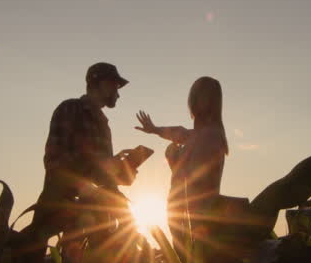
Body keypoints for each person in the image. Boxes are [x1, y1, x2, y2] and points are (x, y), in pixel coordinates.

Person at [31, 62, 152, 246]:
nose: (118, 93)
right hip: (63, 205)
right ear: (99, 83)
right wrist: (98, 169)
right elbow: (55, 162)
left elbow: (106, 179)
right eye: (115, 85)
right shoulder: (69, 109)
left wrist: (126, 168)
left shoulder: (103, 126)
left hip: (97, 217)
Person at [134, 76, 230, 242]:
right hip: (187, 218)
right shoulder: (201, 135)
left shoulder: (209, 136)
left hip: (194, 221)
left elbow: (194, 180)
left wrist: (175, 161)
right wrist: (155, 129)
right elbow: (178, 132)